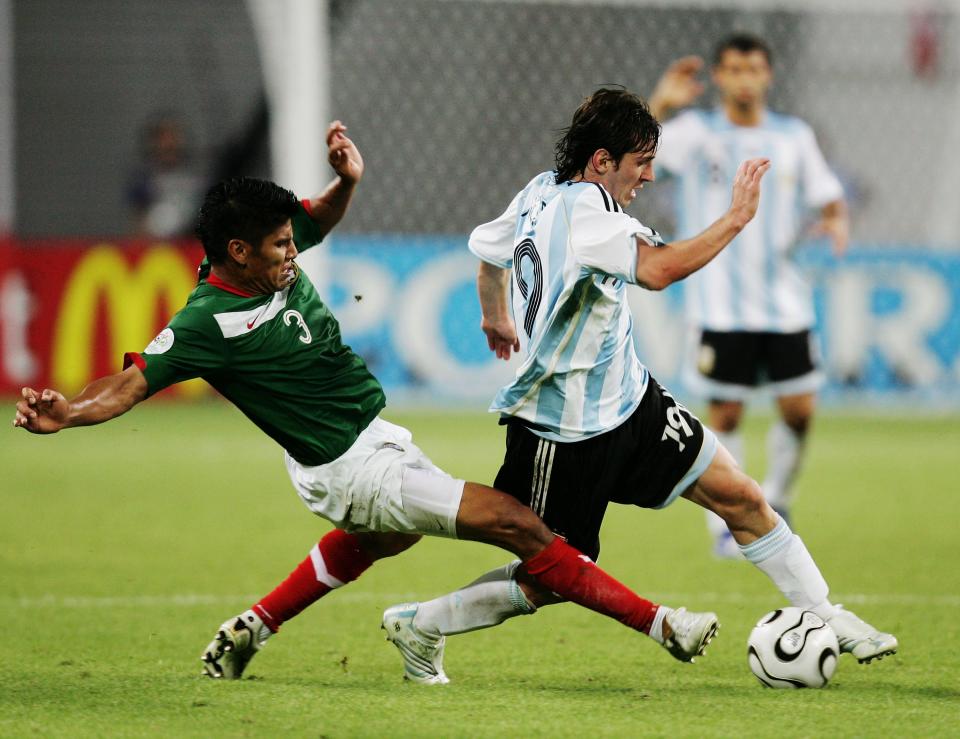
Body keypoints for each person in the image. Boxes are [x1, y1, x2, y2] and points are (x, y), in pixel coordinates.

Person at [12, 120, 718, 681]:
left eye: (292, 241)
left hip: (369, 439)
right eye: (281, 245)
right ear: (236, 251)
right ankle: (664, 624)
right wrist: (70, 412)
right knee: (523, 525)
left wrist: (345, 181)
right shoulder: (205, 322)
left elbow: (318, 214)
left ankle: (255, 625)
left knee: (391, 537)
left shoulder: (268, 254)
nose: (295, 252)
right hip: (350, 469)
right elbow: (130, 382)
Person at [378, 87, 896, 685]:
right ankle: (424, 624)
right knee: (554, 577)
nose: (650, 176)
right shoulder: (589, 215)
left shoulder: (538, 190)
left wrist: (493, 313)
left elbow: (487, 252)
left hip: (630, 401)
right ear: (602, 161)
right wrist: (735, 219)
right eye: (641, 162)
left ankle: (824, 612)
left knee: (744, 499)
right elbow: (657, 269)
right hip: (563, 429)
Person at [647, 34, 849, 557]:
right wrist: (659, 107)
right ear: (718, 76)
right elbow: (637, 162)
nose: (743, 79)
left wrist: (836, 222)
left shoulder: (792, 137)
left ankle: (777, 502)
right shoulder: (693, 133)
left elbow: (828, 196)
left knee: (800, 411)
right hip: (718, 304)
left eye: (752, 69)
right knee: (728, 416)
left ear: (768, 76)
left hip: (785, 302)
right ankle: (728, 524)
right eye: (733, 69)